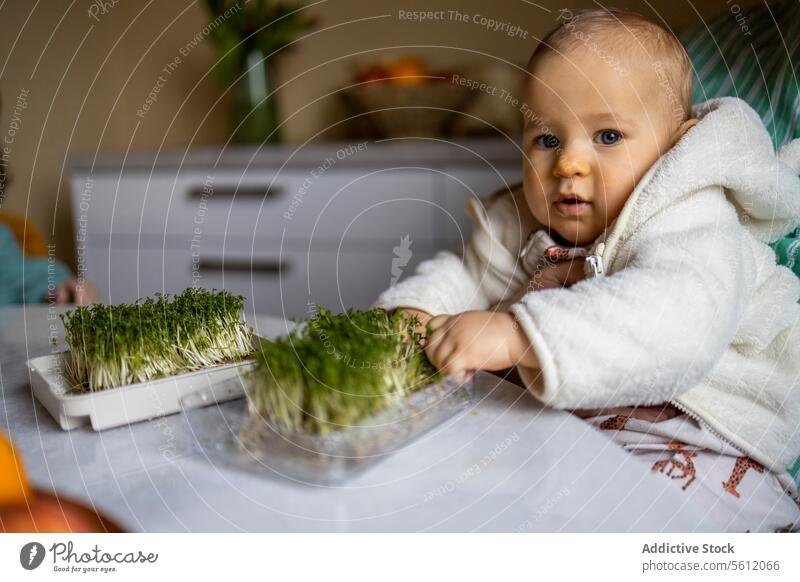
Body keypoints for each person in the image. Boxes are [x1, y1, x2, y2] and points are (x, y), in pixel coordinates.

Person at [373, 9, 800, 531]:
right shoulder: (527, 220)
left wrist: (520, 337)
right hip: (589, 434)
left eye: (608, 137)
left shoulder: (692, 215)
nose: (568, 164)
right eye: (548, 140)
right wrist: (417, 310)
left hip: (706, 440)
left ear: (676, 147)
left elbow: (674, 318)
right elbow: (465, 272)